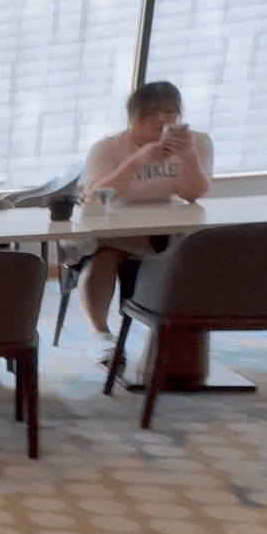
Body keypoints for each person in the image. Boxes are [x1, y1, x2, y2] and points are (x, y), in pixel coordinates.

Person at [76, 80, 212, 363]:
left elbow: (192, 194)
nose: (161, 124)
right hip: (116, 224)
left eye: (170, 115)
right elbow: (96, 200)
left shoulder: (196, 143)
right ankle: (101, 335)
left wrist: (188, 156)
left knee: (193, 258)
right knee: (104, 255)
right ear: (133, 119)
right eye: (151, 118)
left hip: (170, 225)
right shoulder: (108, 147)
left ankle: (176, 341)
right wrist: (136, 161)